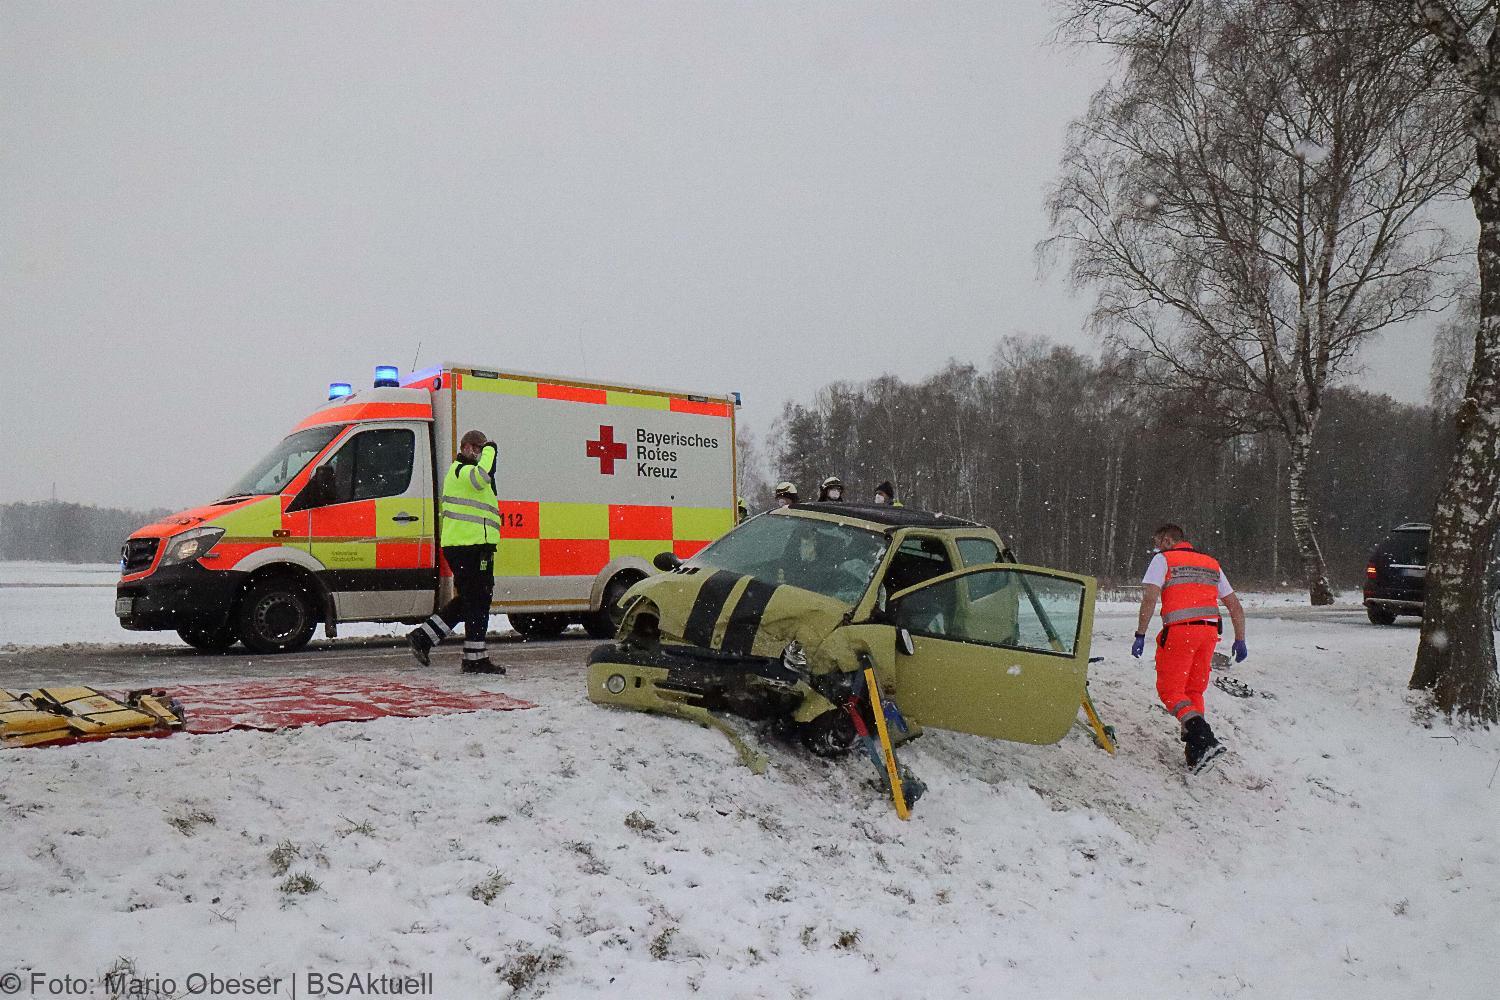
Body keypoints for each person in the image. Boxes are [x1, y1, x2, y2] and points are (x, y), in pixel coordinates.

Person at [1130, 523, 1247, 773]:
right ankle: (1196, 753)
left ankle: (1204, 737)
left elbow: (1150, 597)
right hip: (1209, 633)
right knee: (1193, 690)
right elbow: (1234, 605)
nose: (1155, 547)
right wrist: (1240, 639)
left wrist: (1140, 633)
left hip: (1180, 632)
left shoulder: (1163, 560)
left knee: (1169, 690)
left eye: (1157, 541)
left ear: (1168, 540)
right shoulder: (1211, 563)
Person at [408, 430, 503, 674]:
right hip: (468, 547)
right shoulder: (463, 471)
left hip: (471, 546)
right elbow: (482, 476)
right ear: (468, 448)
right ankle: (472, 659)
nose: (482, 453)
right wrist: (492, 448)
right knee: (477, 600)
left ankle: (428, 638)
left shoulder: (465, 473)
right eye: (479, 448)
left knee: (472, 600)